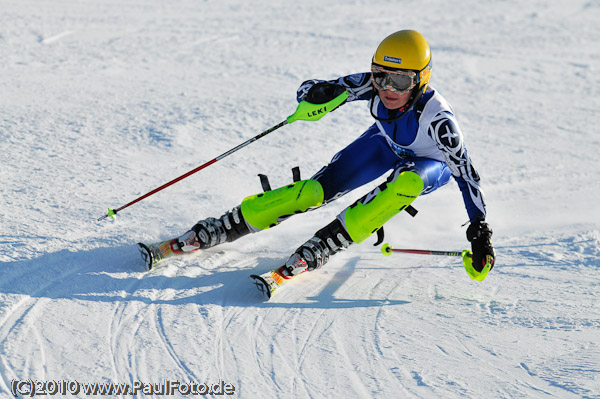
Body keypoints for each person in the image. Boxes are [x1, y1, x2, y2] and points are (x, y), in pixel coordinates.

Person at [141, 30, 496, 280]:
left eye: (400, 82)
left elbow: (466, 172)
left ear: (421, 79)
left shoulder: (439, 120)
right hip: (384, 144)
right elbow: (310, 88)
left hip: (430, 164)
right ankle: (227, 225)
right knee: (314, 192)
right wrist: (317, 94)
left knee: (406, 182)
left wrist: (480, 229)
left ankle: (327, 243)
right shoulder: (372, 85)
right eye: (380, 76)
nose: (387, 89)